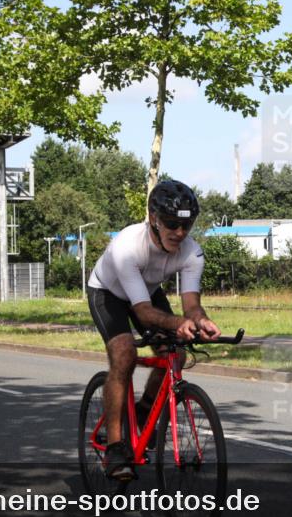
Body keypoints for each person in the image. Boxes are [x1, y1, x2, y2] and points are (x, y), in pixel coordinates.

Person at [87, 180, 221, 480]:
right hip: (108, 292)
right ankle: (115, 447)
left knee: (176, 354)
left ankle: (145, 410)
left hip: (145, 289)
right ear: (153, 218)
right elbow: (144, 314)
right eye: (172, 224)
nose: (180, 232)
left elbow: (191, 305)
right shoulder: (127, 246)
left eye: (187, 225)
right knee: (124, 354)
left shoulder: (191, 252)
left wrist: (201, 321)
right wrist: (178, 324)